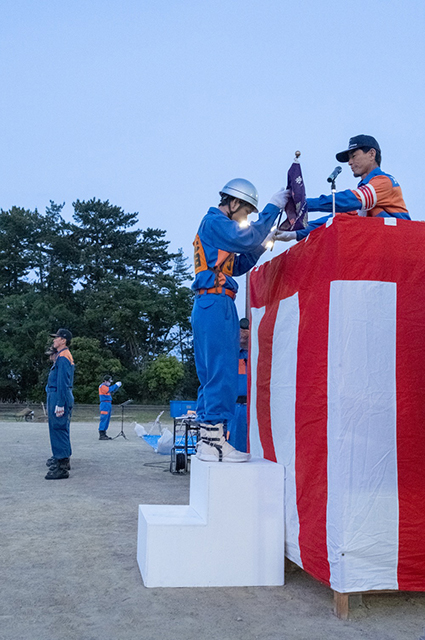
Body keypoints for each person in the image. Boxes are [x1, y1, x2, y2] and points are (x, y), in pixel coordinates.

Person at [192, 178, 290, 462]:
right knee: (222, 370)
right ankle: (214, 440)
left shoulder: (213, 233)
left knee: (211, 372)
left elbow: (238, 264)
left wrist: (266, 240)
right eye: (246, 211)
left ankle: (207, 439)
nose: (246, 219)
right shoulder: (214, 222)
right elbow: (245, 238)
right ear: (233, 203)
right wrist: (273, 207)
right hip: (216, 301)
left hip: (209, 302)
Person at [277, 135, 410, 243]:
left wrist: (304, 204)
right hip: (387, 249)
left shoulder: (384, 182)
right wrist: (294, 233)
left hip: (404, 243)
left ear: (371, 154)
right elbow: (335, 219)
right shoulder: (364, 198)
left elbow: (350, 200)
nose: (349, 162)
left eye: (354, 156)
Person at [45, 328, 74, 480]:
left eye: (56, 338)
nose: (54, 340)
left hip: (59, 395)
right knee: (59, 428)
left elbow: (63, 382)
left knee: (58, 428)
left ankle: (62, 466)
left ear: (63, 340)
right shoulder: (62, 356)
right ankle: (61, 458)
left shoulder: (63, 357)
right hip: (57, 394)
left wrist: (60, 403)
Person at [226, 317, 249, 453]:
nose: (241, 333)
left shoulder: (259, 353)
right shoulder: (233, 355)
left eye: (244, 330)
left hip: (253, 407)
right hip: (236, 408)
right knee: (234, 446)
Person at [98, 375, 122, 440]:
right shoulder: (102, 386)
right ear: (105, 381)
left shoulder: (106, 386)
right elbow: (109, 390)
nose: (110, 383)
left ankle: (104, 434)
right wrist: (116, 385)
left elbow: (112, 391)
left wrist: (117, 387)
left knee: (107, 419)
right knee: (104, 418)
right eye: (109, 381)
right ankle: (101, 434)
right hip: (104, 404)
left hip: (108, 403)